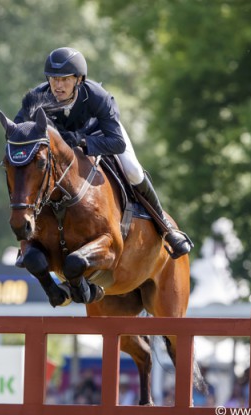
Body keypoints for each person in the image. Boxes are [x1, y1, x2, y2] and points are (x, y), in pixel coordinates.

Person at [14, 47, 193, 265]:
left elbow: (116, 142)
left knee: (133, 170)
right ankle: (28, 243)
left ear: (78, 79)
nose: (57, 86)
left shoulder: (97, 96)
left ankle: (165, 227)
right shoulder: (37, 98)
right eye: (53, 79)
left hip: (101, 135)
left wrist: (81, 141)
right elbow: (20, 132)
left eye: (64, 79)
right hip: (61, 148)